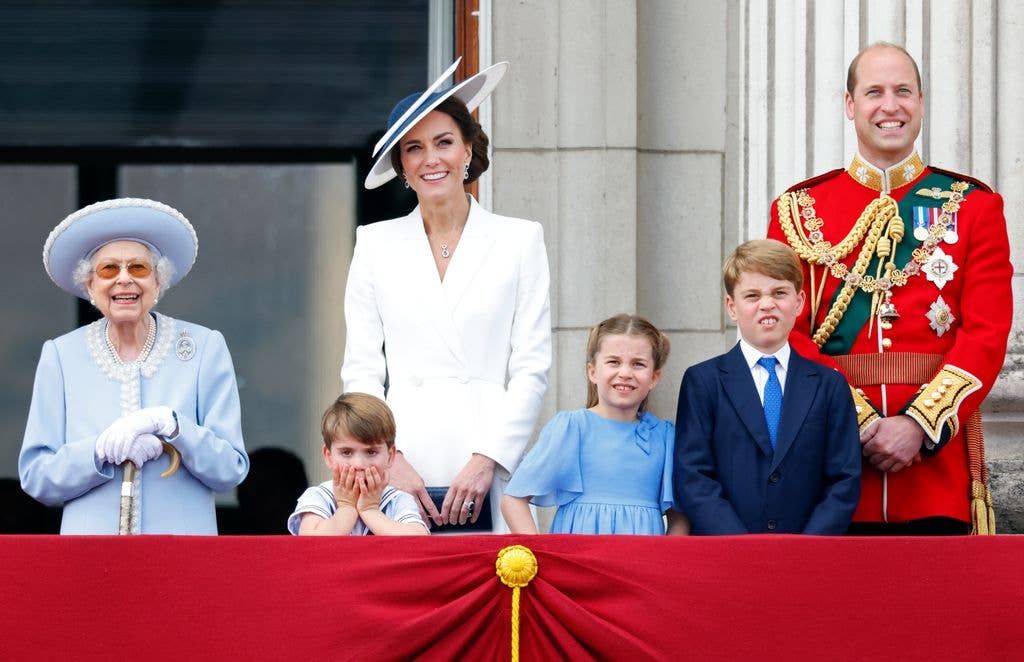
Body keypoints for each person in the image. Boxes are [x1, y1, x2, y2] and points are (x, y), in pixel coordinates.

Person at [767, 42, 1012, 535]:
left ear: (920, 101)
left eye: (903, 91)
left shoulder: (973, 207)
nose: (890, 105)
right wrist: (856, 422)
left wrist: (919, 427)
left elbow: (986, 334)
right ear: (849, 105)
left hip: (934, 473)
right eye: (874, 92)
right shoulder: (798, 210)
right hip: (833, 469)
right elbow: (781, 332)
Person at [343, 58, 551, 532]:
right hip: (400, 458)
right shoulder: (374, 244)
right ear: (401, 165)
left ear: (467, 151)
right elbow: (361, 368)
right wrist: (385, 458)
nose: (430, 159)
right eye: (414, 148)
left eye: (443, 142)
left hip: (488, 457)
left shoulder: (520, 239)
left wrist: (489, 459)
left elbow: (531, 367)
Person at [19, 198, 249, 534]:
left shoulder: (204, 348)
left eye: (139, 268)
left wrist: (173, 426)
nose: (124, 280)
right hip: (90, 556)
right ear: (90, 286)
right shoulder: (61, 356)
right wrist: (97, 450)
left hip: (182, 554)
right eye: (108, 270)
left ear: (158, 282)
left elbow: (230, 469)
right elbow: (36, 477)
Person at [674, 240, 861, 535]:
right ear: (731, 307)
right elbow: (694, 476)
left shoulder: (829, 385)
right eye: (752, 295)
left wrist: (807, 547)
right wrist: (740, 546)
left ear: (798, 302)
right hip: (726, 554)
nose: (767, 304)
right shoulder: (704, 381)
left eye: (779, 293)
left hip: (807, 554)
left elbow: (844, 478)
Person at [501, 314, 688, 535]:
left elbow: (680, 518)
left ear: (654, 377)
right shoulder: (571, 428)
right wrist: (541, 558)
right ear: (592, 371)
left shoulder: (665, 436)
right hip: (579, 563)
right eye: (613, 362)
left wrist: (662, 563)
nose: (625, 373)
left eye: (638, 364)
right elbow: (513, 499)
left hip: (641, 563)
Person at [288, 393, 428, 536]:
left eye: (371, 452)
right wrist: (346, 507)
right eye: (347, 452)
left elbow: (418, 540)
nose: (359, 464)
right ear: (328, 456)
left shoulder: (397, 499)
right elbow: (310, 542)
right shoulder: (319, 496)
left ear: (390, 455)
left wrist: (370, 509)